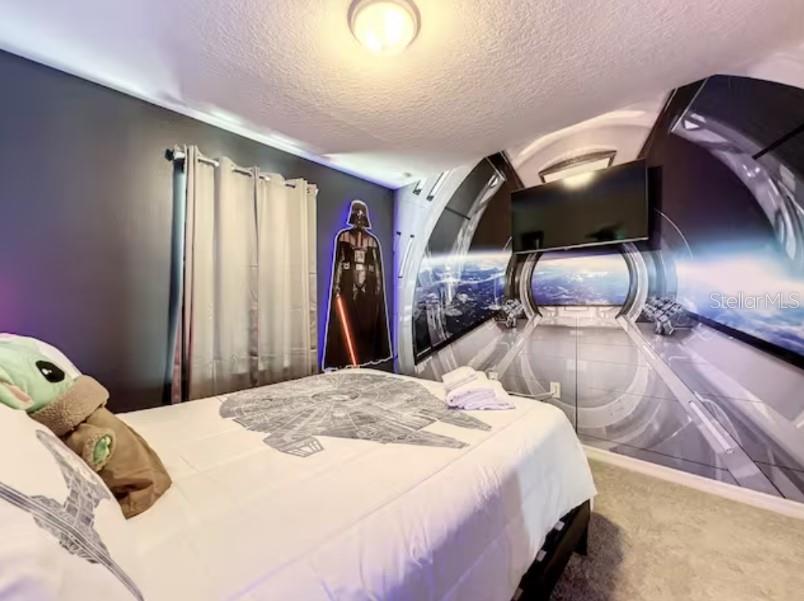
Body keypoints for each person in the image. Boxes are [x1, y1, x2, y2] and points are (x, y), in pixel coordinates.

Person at [323, 200, 391, 369]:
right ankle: (346, 358)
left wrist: (377, 289)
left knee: (366, 324)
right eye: (357, 215)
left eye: (362, 216)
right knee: (347, 323)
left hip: (367, 289)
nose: (359, 219)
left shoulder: (372, 241)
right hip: (348, 286)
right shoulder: (344, 237)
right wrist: (337, 285)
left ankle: (365, 357)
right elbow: (339, 262)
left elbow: (377, 268)